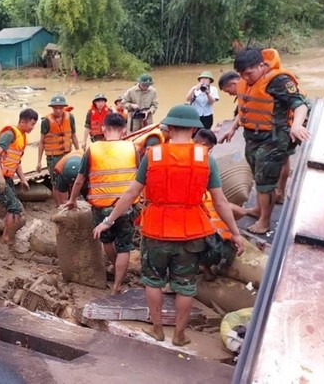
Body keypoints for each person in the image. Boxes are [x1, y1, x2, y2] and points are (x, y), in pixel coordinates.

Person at [93, 105, 245, 346]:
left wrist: (108, 220)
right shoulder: (205, 158)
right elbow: (220, 200)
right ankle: (179, 335)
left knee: (153, 281)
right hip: (192, 232)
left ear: (169, 127)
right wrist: (235, 234)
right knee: (185, 286)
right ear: (195, 129)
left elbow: (132, 192)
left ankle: (157, 330)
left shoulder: (153, 155)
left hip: (156, 230)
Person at [220, 48, 310, 234]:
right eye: (242, 74)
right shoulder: (246, 81)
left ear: (261, 65)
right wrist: (233, 128)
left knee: (265, 182)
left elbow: (299, 105)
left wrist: (297, 125)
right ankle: (259, 209)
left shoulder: (278, 81)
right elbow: (245, 107)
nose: (246, 77)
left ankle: (264, 222)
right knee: (258, 176)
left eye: (249, 73)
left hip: (273, 139)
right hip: (252, 137)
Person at [66, 113, 138, 294]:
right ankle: (117, 285)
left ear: (104, 129)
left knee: (107, 240)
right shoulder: (133, 148)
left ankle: (115, 268)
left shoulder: (93, 149)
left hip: (101, 206)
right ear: (124, 130)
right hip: (126, 205)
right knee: (124, 246)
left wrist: (72, 199)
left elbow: (80, 179)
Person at [193, 129, 243, 280]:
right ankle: (204, 266)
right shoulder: (206, 162)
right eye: (209, 149)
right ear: (203, 145)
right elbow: (221, 203)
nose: (209, 153)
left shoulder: (167, 154)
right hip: (204, 235)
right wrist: (236, 233)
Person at [0, 108, 38, 244]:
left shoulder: (23, 137)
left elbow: (16, 161)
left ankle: (5, 233)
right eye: (32, 124)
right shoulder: (10, 134)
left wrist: (23, 180)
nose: (33, 128)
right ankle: (7, 237)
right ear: (22, 121)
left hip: (7, 177)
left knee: (11, 206)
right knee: (15, 207)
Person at [37, 95, 78, 206]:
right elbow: (41, 142)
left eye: (60, 108)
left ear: (64, 107)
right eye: (56, 108)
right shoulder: (46, 121)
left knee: (69, 178)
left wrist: (79, 152)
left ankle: (68, 203)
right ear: (52, 108)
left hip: (68, 154)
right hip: (53, 157)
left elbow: (73, 136)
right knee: (56, 182)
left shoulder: (70, 117)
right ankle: (59, 206)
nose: (58, 110)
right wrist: (39, 162)